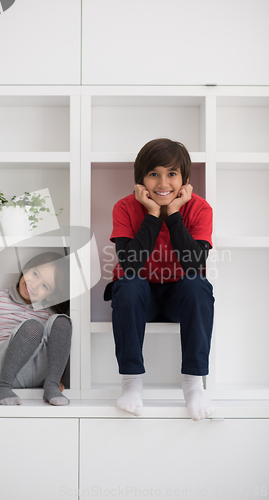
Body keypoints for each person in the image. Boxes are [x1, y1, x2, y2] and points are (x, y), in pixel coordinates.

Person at [103, 138, 215, 421]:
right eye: (154, 174)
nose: (163, 183)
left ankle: (193, 384)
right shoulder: (125, 207)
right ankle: (131, 383)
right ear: (141, 179)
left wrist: (174, 213)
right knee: (128, 283)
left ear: (185, 179)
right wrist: (153, 215)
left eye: (172, 174)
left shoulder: (200, 208)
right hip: (142, 296)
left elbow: (193, 263)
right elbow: (130, 263)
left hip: (180, 297)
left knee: (196, 283)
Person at [0, 252, 72, 406]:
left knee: (62, 322)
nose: (34, 284)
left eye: (45, 286)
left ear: (52, 296)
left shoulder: (49, 313)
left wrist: (58, 378)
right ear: (26, 269)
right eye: (35, 274)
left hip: (37, 371)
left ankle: (52, 385)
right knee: (33, 327)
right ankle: (2, 387)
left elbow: (57, 349)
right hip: (2, 366)